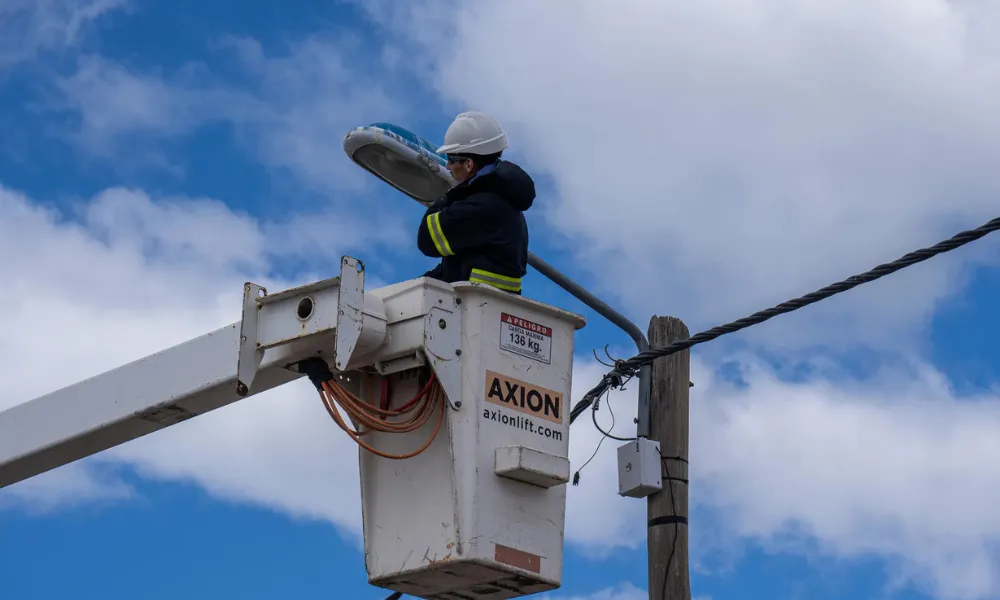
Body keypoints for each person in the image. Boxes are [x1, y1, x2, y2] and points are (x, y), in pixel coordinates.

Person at [416, 111, 535, 295]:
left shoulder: (482, 206)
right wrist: (419, 286)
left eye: (451, 159)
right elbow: (459, 264)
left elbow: (426, 238)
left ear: (469, 164)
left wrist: (449, 194)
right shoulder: (500, 200)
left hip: (473, 307)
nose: (447, 167)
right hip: (483, 306)